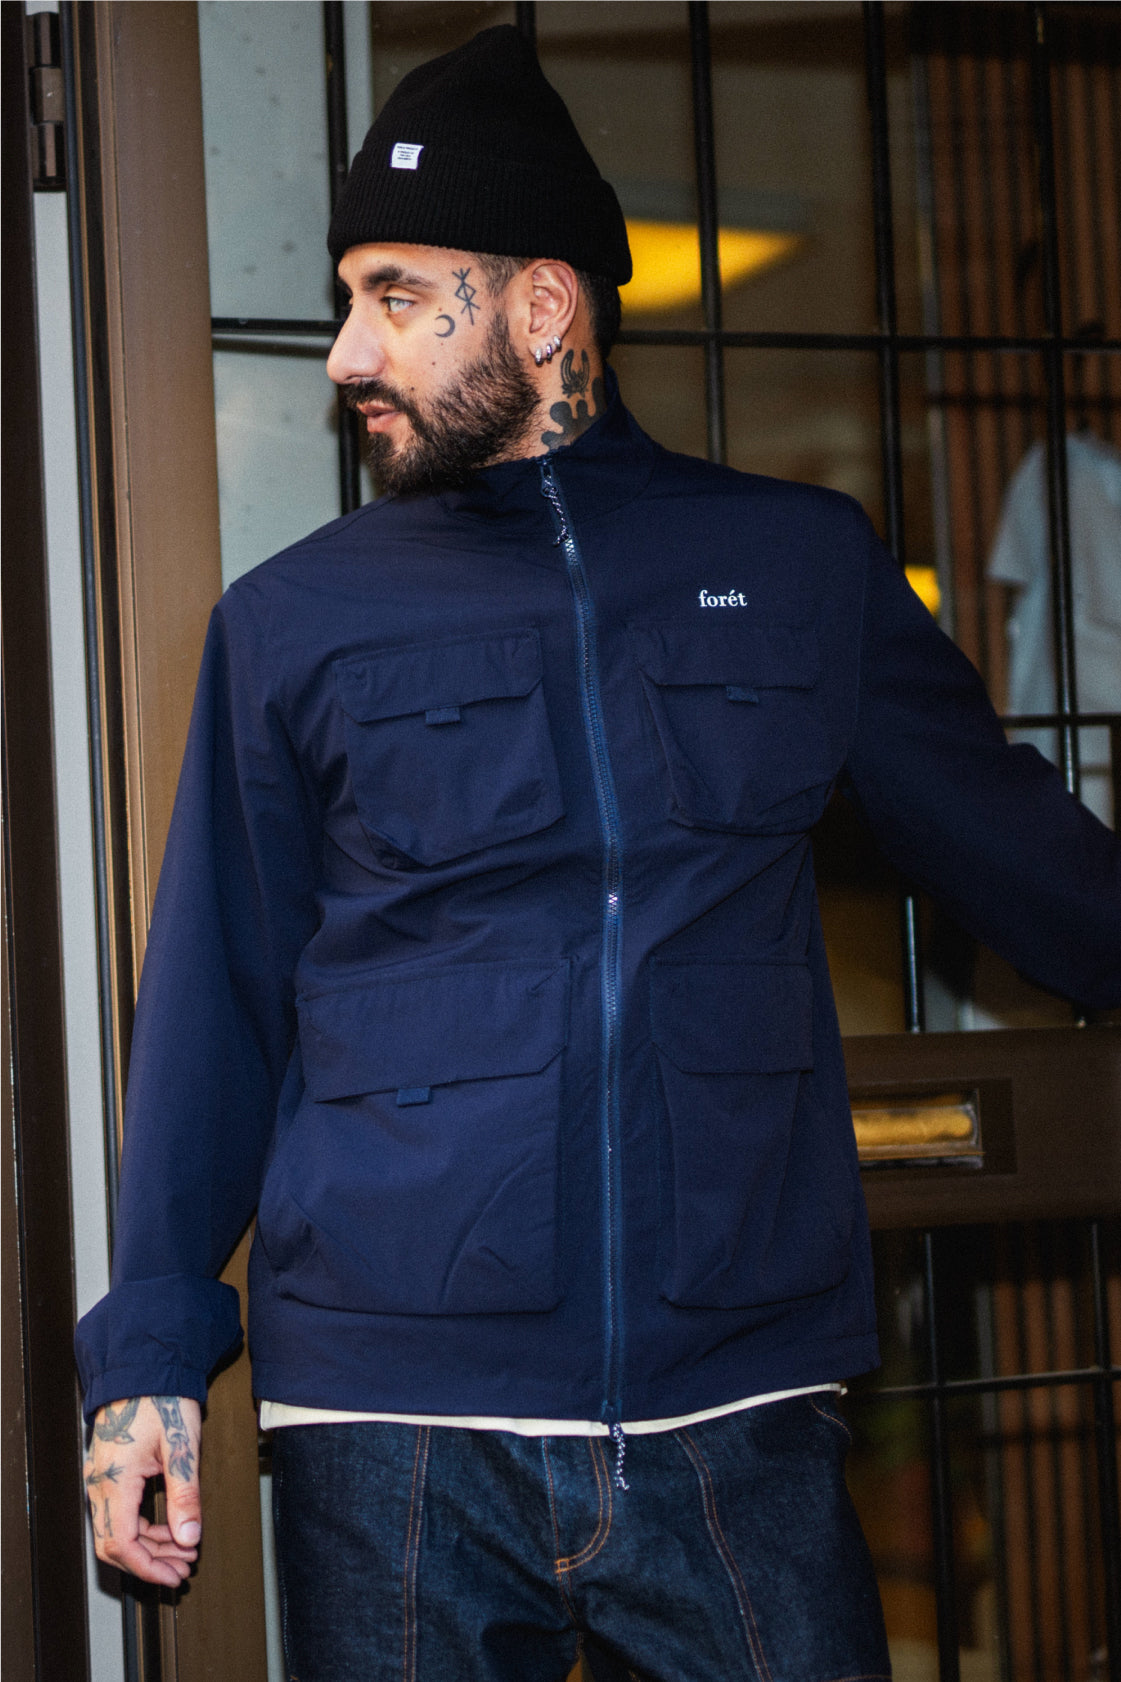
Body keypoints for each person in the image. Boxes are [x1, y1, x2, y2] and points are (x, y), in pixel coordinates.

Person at [76, 26, 1120, 1681]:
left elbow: (1023, 857)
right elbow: (219, 1000)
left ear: (544, 308)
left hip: (736, 1393)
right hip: (396, 1421)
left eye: (396, 296)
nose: (347, 350)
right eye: (349, 297)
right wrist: (148, 1349)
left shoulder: (795, 563)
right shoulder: (292, 621)